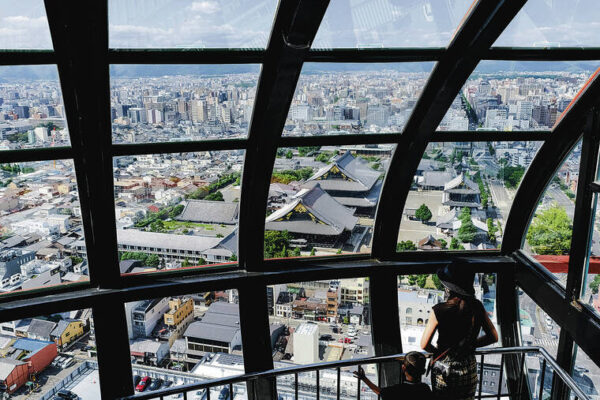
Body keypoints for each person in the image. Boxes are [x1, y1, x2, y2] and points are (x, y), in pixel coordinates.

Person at [420, 263, 498, 400]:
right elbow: (493, 337)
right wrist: (471, 344)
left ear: (449, 288)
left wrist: (439, 353)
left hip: (444, 370)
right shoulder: (477, 306)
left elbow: (424, 344)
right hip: (468, 368)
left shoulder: (439, 310)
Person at [353, 351, 432, 399]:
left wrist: (364, 378)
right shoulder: (425, 389)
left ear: (403, 368)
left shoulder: (398, 390)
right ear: (423, 371)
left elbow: (379, 391)